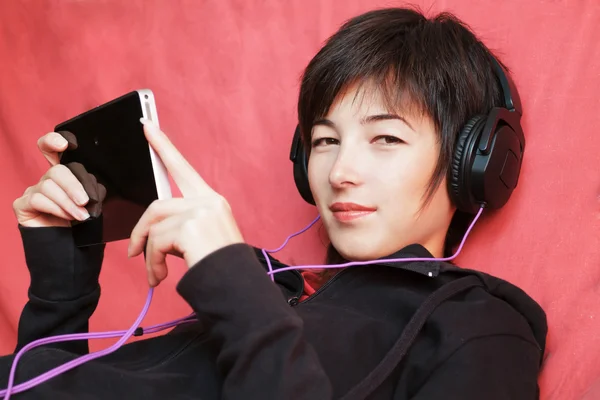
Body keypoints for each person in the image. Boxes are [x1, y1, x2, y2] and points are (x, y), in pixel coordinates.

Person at [1, 7, 547, 399]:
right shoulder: (274, 286)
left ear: (472, 163)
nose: (340, 172)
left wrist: (230, 283)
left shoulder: (480, 326)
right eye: (325, 140)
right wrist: (61, 285)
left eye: (386, 139)